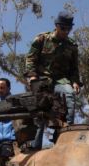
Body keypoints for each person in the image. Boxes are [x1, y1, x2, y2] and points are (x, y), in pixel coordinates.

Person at [24, 11, 81, 150]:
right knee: (41, 111)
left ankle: (64, 135)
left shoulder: (72, 45)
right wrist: (32, 77)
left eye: (69, 29)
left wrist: (75, 82)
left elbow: (74, 67)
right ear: (56, 26)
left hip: (61, 80)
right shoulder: (42, 39)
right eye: (63, 28)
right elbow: (31, 58)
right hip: (43, 79)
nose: (66, 31)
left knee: (69, 96)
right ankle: (35, 145)